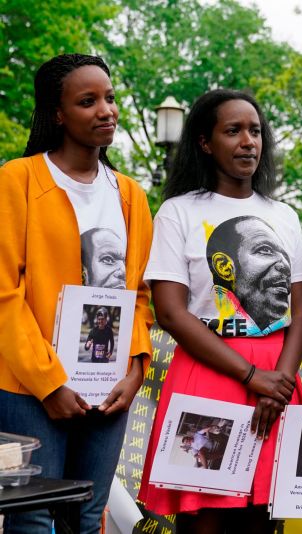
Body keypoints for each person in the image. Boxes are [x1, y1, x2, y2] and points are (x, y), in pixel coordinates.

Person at [138, 89, 302, 534]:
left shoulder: (285, 216)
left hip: (278, 382)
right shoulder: (178, 212)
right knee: (205, 521)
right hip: (209, 376)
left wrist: (278, 387)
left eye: (254, 131)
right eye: (233, 131)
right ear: (204, 142)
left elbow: (300, 313)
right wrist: (253, 379)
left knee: (264, 519)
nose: (248, 141)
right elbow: (172, 313)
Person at [0, 54, 153, 534]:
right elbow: (5, 293)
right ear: (58, 114)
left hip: (108, 386)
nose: (106, 110)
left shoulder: (131, 195)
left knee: (89, 515)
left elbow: (141, 295)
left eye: (109, 98)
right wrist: (49, 382)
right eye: (88, 101)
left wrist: (135, 368)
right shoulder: (17, 180)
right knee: (30, 517)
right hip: (29, 387)